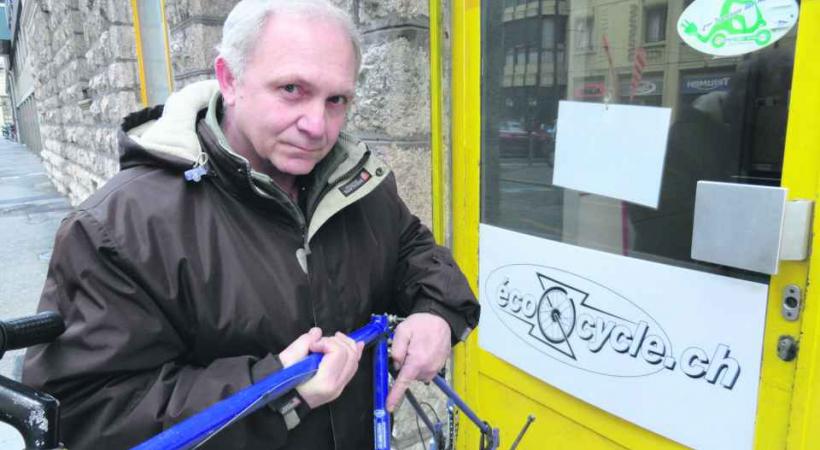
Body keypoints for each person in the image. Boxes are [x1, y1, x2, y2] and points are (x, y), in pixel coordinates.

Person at [22, 1, 479, 448]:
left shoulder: (357, 182)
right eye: (292, 90)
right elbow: (89, 412)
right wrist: (278, 390)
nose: (317, 126)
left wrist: (436, 314)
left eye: (337, 99)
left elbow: (412, 250)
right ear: (230, 80)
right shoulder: (118, 226)